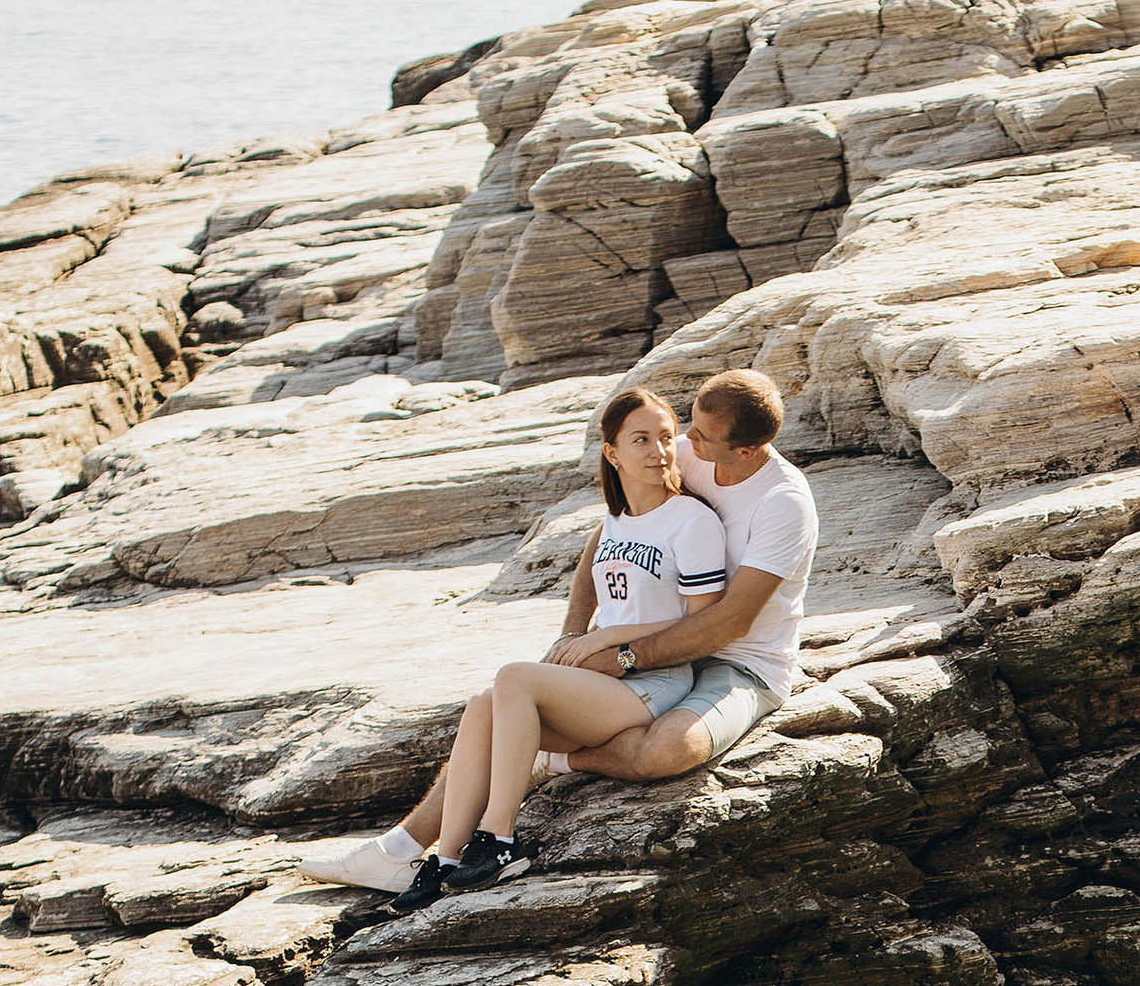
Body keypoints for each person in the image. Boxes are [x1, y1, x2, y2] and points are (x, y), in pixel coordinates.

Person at [300, 373, 800, 907]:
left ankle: (502, 833)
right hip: (636, 663)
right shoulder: (672, 463)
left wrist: (614, 649)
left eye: (690, 436)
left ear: (744, 450)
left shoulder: (774, 503)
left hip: (723, 665)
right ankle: (428, 856)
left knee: (628, 734)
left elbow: (722, 620)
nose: (678, 448)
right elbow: (609, 538)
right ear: (613, 451)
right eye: (675, 432)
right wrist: (573, 635)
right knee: (484, 705)